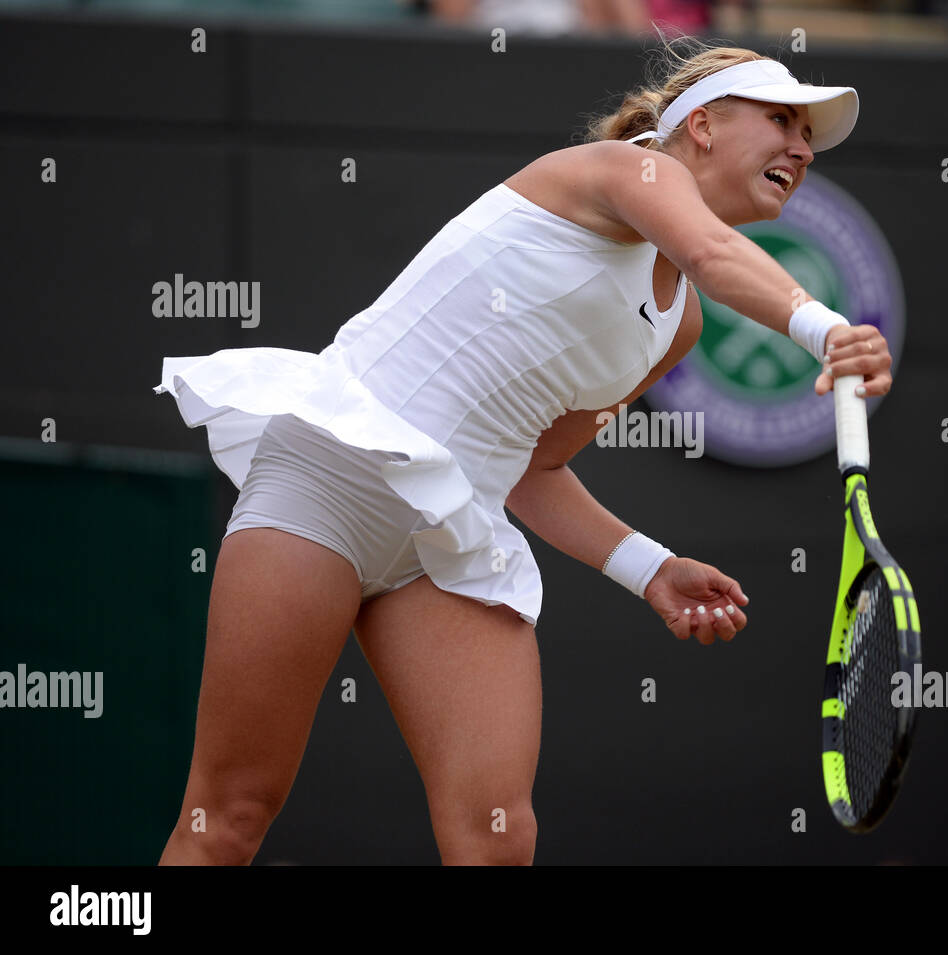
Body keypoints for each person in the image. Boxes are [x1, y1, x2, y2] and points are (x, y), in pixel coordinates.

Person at [153, 36, 893, 866]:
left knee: (497, 838)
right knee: (231, 814)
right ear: (705, 124)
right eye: (782, 118)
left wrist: (648, 567)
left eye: (809, 136)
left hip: (448, 539)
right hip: (334, 473)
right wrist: (825, 328)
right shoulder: (623, 170)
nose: (801, 145)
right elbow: (714, 254)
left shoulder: (678, 322)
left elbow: (534, 468)